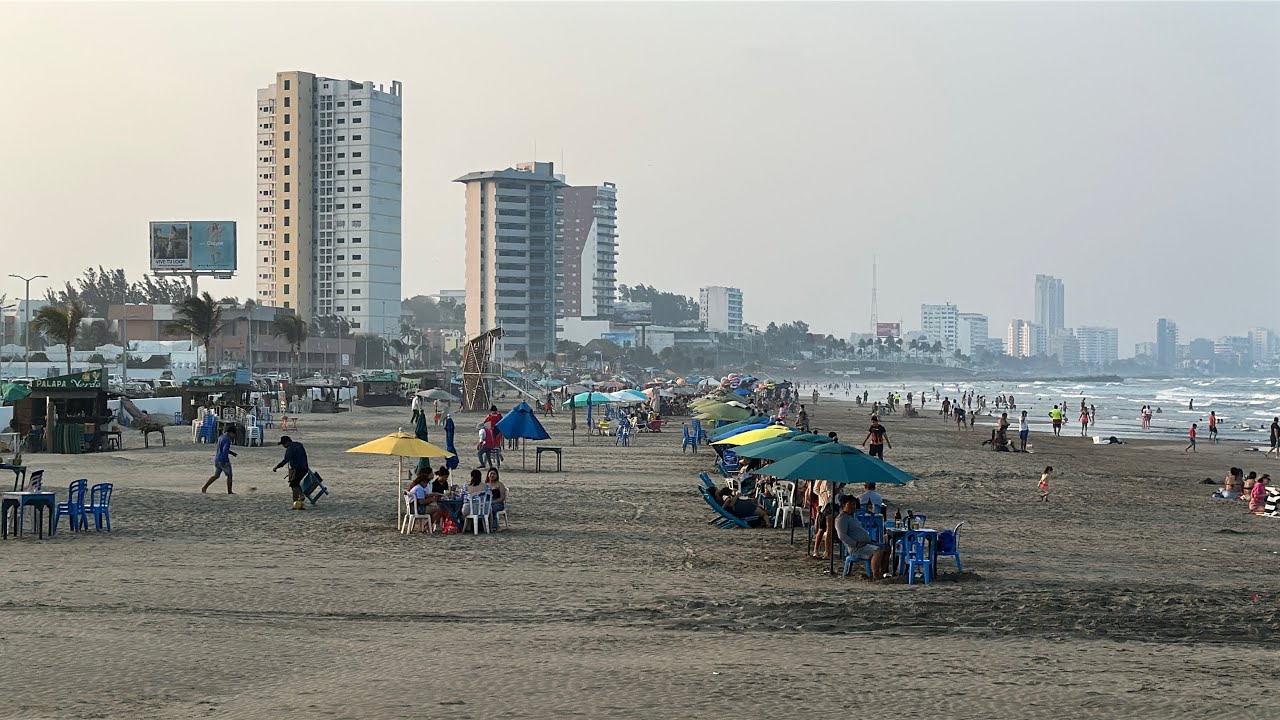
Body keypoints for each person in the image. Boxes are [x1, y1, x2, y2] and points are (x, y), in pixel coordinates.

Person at [835, 496, 887, 580]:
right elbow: (842, 536)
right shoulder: (841, 519)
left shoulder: (852, 516)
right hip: (856, 548)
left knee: (886, 548)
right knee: (877, 551)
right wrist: (855, 544)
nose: (853, 506)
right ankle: (875, 576)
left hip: (865, 544)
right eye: (850, 504)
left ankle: (883, 573)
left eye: (854, 504)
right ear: (843, 505)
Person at [272, 435, 310, 510]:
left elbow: (285, 460)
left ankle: (301, 496)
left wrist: (276, 467)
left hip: (297, 468)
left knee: (294, 483)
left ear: (287, 442)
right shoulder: (299, 445)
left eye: (283, 444)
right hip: (304, 467)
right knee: (294, 484)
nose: (283, 446)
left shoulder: (290, 449)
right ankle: (296, 504)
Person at [202, 426, 238, 494]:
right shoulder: (228, 439)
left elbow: (221, 448)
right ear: (231, 432)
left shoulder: (221, 437)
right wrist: (226, 461)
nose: (234, 436)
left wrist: (232, 453)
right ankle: (229, 491)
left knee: (216, 476)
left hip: (217, 459)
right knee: (229, 476)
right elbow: (224, 451)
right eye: (234, 434)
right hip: (223, 460)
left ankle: (205, 487)